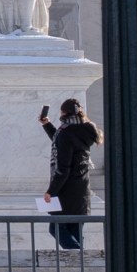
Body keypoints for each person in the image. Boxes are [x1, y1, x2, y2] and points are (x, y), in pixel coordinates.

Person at [38, 98, 100, 251]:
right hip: (82, 189)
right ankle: (83, 267)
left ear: (63, 112)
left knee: (56, 229)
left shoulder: (65, 133)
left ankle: (80, 257)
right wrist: (47, 125)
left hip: (67, 191)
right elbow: (62, 141)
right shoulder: (83, 131)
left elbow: (63, 168)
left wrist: (50, 191)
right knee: (74, 230)